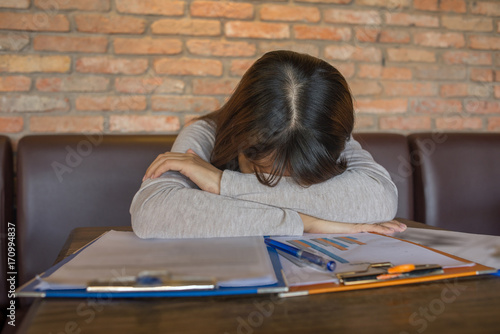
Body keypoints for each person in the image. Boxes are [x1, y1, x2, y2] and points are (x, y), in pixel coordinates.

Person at [130, 50, 406, 239]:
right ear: (241, 133)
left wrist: (224, 184)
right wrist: (307, 222)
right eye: (261, 168)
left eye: (299, 177)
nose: (282, 182)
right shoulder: (204, 134)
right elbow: (152, 211)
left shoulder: (324, 136)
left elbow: (379, 198)